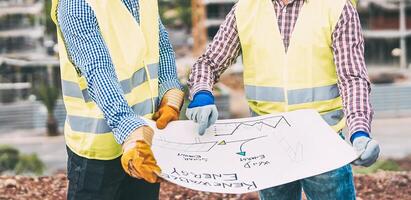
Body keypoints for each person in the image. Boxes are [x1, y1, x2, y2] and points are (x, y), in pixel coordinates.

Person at [186, 0, 380, 199]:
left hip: (323, 142)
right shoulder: (245, 9)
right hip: (268, 144)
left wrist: (359, 132)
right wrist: (202, 94)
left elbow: (352, 78)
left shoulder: (336, 7)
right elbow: (209, 63)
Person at [50, 0, 184, 199]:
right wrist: (130, 131)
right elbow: (97, 71)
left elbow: (160, 45)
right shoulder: (76, 4)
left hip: (144, 142)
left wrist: (169, 95)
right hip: (98, 153)